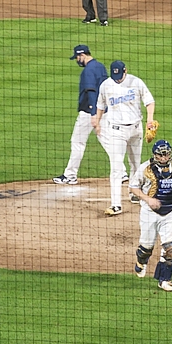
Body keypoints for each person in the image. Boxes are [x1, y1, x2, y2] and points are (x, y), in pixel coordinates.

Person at [93, 60, 156, 216]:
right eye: (115, 76)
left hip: (136, 128)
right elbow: (100, 105)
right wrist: (98, 121)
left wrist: (149, 120)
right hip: (116, 131)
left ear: (125, 71)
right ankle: (116, 205)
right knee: (116, 168)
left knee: (135, 163)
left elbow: (149, 101)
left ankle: (134, 192)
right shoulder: (106, 85)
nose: (118, 79)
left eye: (120, 76)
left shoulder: (136, 82)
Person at [129, 140, 172, 292]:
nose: (164, 158)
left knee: (170, 249)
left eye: (166, 154)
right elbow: (133, 187)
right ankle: (141, 261)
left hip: (169, 213)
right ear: (155, 155)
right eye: (160, 155)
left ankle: (164, 280)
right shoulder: (146, 168)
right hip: (149, 214)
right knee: (146, 248)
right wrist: (148, 199)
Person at [52, 45, 108, 186]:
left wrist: (93, 113)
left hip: (89, 113)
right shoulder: (101, 67)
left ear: (82, 55)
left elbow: (91, 91)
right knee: (108, 142)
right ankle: (122, 173)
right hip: (104, 111)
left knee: (77, 142)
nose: (77, 60)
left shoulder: (88, 71)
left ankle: (70, 175)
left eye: (77, 57)